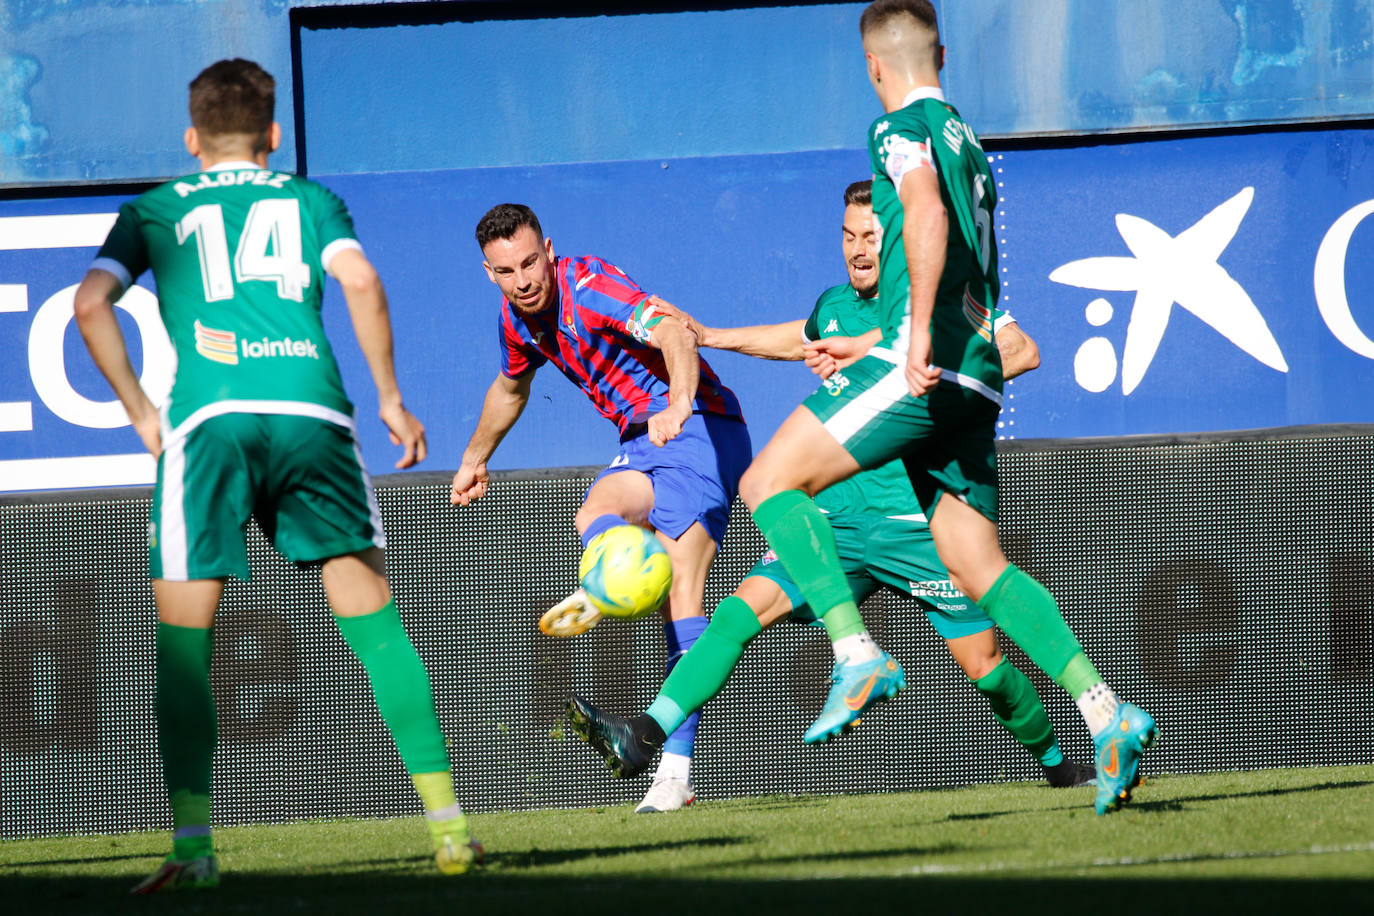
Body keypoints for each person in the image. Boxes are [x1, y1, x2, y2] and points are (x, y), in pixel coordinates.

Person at [737, 1, 1156, 815]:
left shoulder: (896, 129)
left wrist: (909, 333)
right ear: (944, 54)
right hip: (977, 372)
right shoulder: (969, 140)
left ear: (873, 65)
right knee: (975, 564)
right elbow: (965, 257)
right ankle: (1106, 712)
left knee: (767, 483)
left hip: (922, 360)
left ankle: (855, 650)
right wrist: (902, 334)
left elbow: (923, 214)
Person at [73, 59, 480, 893]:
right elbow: (360, 278)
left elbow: (89, 304)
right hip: (312, 413)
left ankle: (195, 850)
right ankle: (449, 831)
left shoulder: (153, 211)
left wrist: (142, 415)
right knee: (376, 628)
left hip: (208, 421)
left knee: (186, 648)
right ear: (273, 136)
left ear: (192, 139)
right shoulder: (308, 199)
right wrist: (394, 401)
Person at [565, 180, 1092, 789]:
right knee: (738, 614)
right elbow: (799, 339)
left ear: (899, 239)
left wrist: (879, 354)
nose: (859, 249)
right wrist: (709, 336)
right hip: (834, 518)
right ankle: (644, 736)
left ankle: (1058, 764)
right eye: (849, 236)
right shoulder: (836, 304)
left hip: (912, 519)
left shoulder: (935, 304)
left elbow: (1020, 350)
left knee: (986, 664)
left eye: (872, 235)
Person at [452, 203, 902, 812]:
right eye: (507, 271)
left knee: (682, 598)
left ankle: (672, 773)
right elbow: (511, 387)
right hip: (641, 438)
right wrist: (475, 458)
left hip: (700, 428)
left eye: (531, 262)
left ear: (550, 250)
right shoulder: (518, 319)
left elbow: (673, 333)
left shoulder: (590, 286)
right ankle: (616, 582)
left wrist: (680, 402)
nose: (524, 279)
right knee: (593, 514)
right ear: (490, 274)